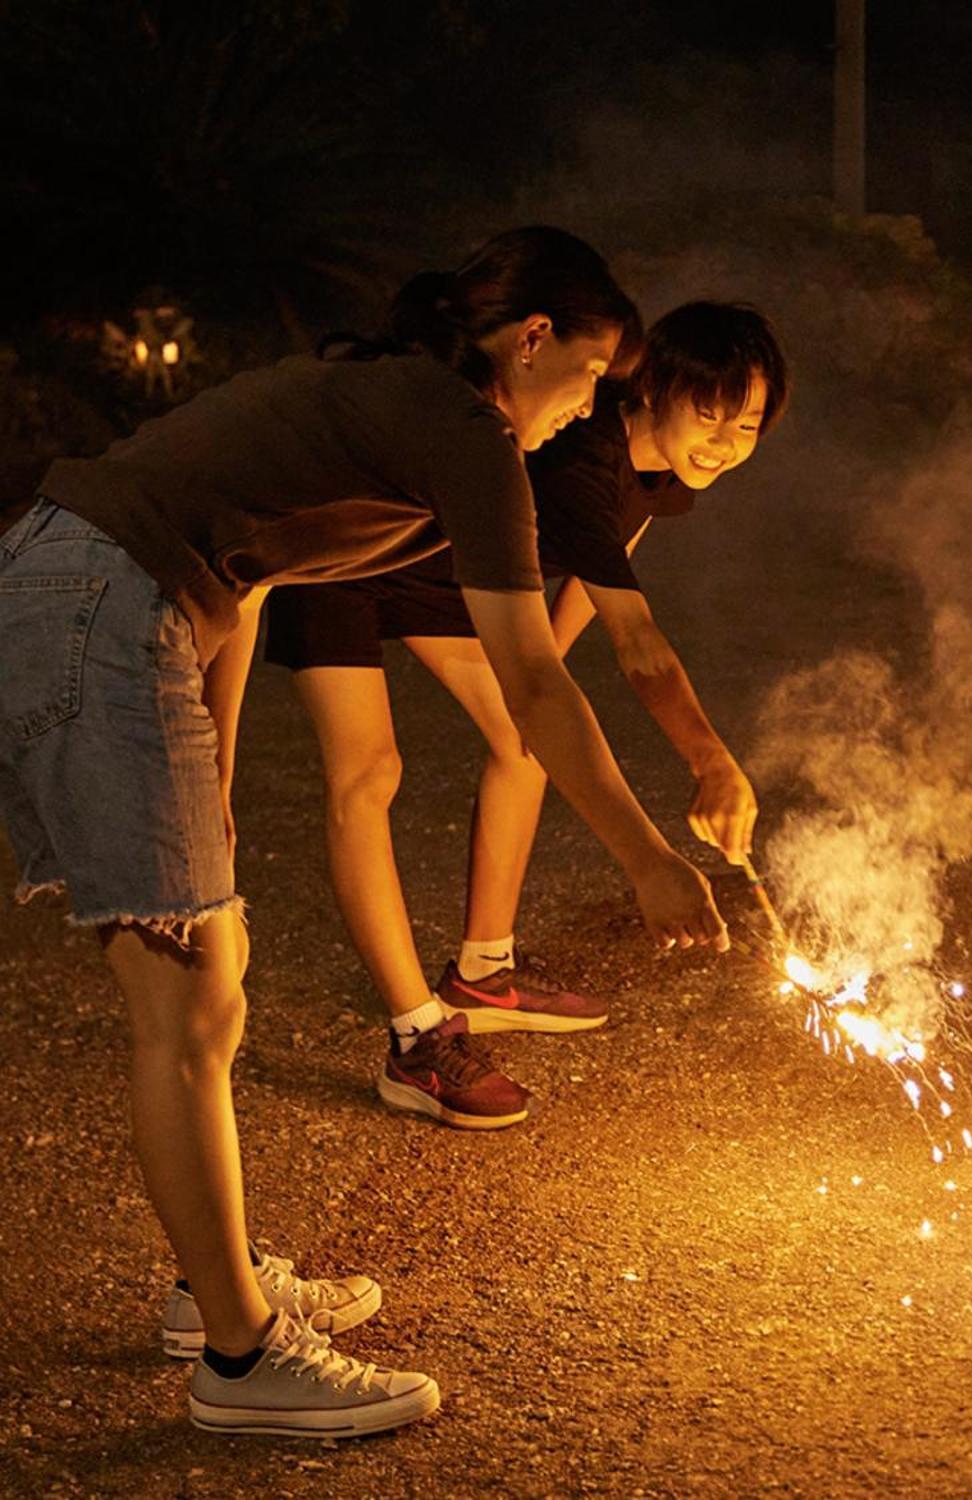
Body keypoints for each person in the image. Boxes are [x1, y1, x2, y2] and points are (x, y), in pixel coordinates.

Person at [0, 227, 728, 1438]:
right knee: (184, 1004)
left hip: (101, 592)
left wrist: (216, 763)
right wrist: (648, 860)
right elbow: (536, 683)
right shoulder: (464, 429)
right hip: (101, 600)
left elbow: (253, 568)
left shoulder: (400, 407)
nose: (592, 406)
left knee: (210, 976)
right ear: (530, 339)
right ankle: (239, 1362)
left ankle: (211, 1287)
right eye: (591, 375)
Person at [262, 302, 787, 1127]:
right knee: (369, 772)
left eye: (748, 423)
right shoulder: (582, 455)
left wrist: (543, 688)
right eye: (709, 414)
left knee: (526, 742)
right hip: (342, 555)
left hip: (440, 578)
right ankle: (416, 1041)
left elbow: (594, 571)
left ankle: (483, 971)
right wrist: (710, 762)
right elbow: (640, 645)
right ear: (651, 389)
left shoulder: (660, 475)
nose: (725, 442)